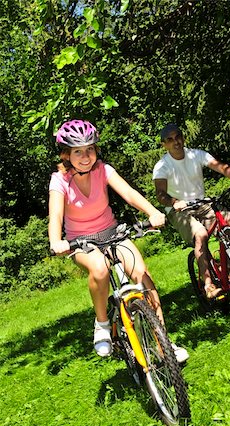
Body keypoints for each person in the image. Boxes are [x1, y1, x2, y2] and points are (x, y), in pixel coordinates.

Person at [48, 119, 189, 363]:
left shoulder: (103, 170)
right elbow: (56, 214)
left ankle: (164, 344)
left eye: (90, 149)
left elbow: (129, 194)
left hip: (112, 232)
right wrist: (55, 240)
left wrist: (152, 212)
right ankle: (102, 324)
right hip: (81, 242)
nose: (85, 156)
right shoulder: (59, 181)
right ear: (66, 154)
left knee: (143, 277)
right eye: (78, 151)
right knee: (100, 270)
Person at [153, 123, 230, 300]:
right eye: (170, 140)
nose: (176, 142)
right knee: (200, 235)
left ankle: (229, 269)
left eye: (178, 137)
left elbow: (220, 166)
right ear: (164, 144)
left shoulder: (196, 155)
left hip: (202, 203)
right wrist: (173, 202)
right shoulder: (162, 166)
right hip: (179, 210)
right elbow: (160, 194)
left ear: (182, 137)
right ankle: (208, 285)